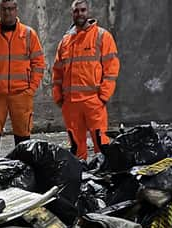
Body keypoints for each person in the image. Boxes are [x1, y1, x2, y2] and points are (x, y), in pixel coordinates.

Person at [0, 0, 46, 156]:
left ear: (16, 10)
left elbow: (38, 62)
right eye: (4, 9)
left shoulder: (28, 34)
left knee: (23, 137)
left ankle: (24, 171)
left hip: (21, 94)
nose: (8, 12)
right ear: (0, 10)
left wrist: (31, 88)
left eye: (11, 9)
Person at [53, 0, 120, 160]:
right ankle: (81, 178)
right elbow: (57, 72)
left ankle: (103, 177)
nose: (80, 14)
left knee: (101, 144)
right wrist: (58, 97)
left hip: (93, 101)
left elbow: (111, 69)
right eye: (76, 11)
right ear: (72, 13)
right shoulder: (65, 42)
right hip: (71, 104)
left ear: (88, 12)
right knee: (76, 148)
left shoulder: (102, 36)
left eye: (83, 10)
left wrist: (103, 96)